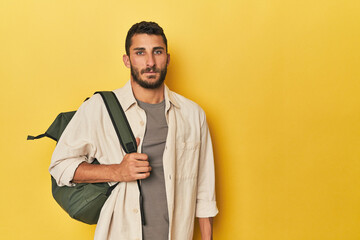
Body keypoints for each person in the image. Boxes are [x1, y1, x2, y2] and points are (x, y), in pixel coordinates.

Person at [49, 21, 218, 240]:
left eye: (157, 52)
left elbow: (204, 193)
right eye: (140, 52)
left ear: (167, 58)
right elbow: (60, 166)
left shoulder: (193, 114)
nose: (150, 62)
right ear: (127, 60)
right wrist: (116, 171)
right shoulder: (100, 108)